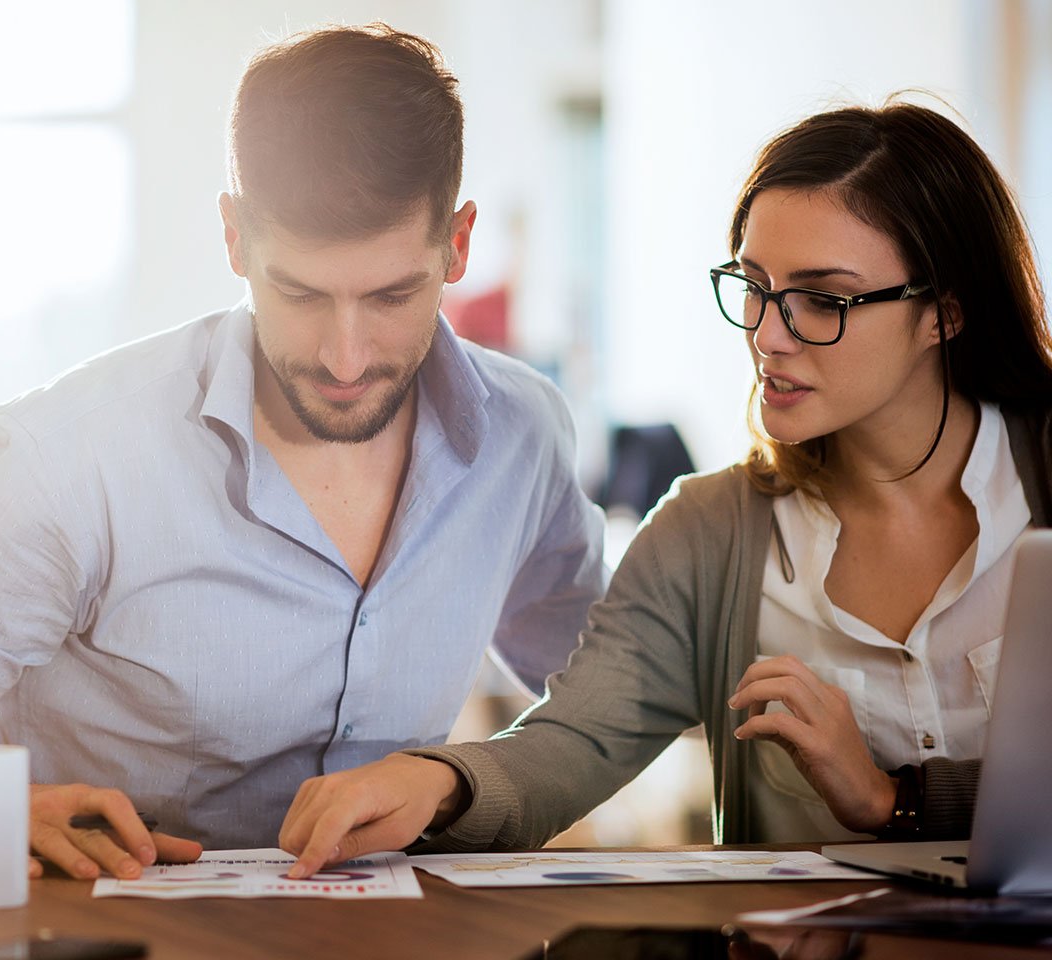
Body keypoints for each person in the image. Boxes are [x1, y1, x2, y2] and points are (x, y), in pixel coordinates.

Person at [0, 23, 606, 881]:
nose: (347, 358)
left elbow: (607, 689)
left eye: (392, 295)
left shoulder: (520, 439)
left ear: (456, 245)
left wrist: (462, 784)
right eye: (300, 292)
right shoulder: (64, 461)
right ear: (235, 237)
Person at [278, 100, 1052, 878]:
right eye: (754, 286)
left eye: (822, 299)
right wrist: (440, 780)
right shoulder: (709, 531)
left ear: (944, 315)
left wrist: (895, 800)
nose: (767, 335)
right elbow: (574, 741)